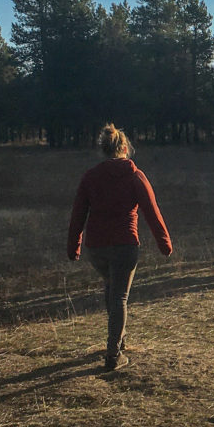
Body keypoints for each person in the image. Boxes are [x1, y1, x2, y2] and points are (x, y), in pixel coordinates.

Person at [67, 123, 174, 371]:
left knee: (112, 289)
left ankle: (120, 340)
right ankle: (114, 355)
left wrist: (74, 246)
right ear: (124, 148)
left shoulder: (90, 177)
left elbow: (78, 214)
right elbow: (152, 212)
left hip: (97, 247)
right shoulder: (135, 176)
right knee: (119, 297)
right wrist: (164, 244)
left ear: (105, 149)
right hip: (125, 245)